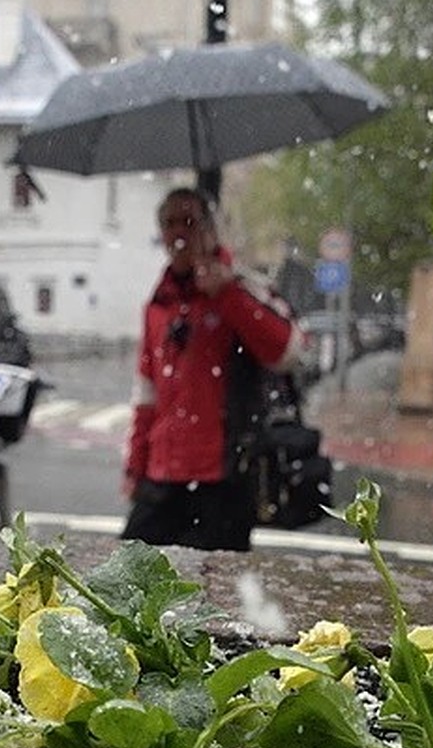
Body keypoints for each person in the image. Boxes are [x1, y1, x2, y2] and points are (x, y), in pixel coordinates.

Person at [122, 186, 305, 551]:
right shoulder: (158, 304)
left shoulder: (241, 286)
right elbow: (146, 394)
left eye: (189, 221)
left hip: (224, 476)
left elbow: (287, 350)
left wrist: (227, 293)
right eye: (170, 223)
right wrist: (135, 466)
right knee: (127, 581)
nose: (179, 233)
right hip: (163, 474)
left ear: (209, 229)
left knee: (214, 592)